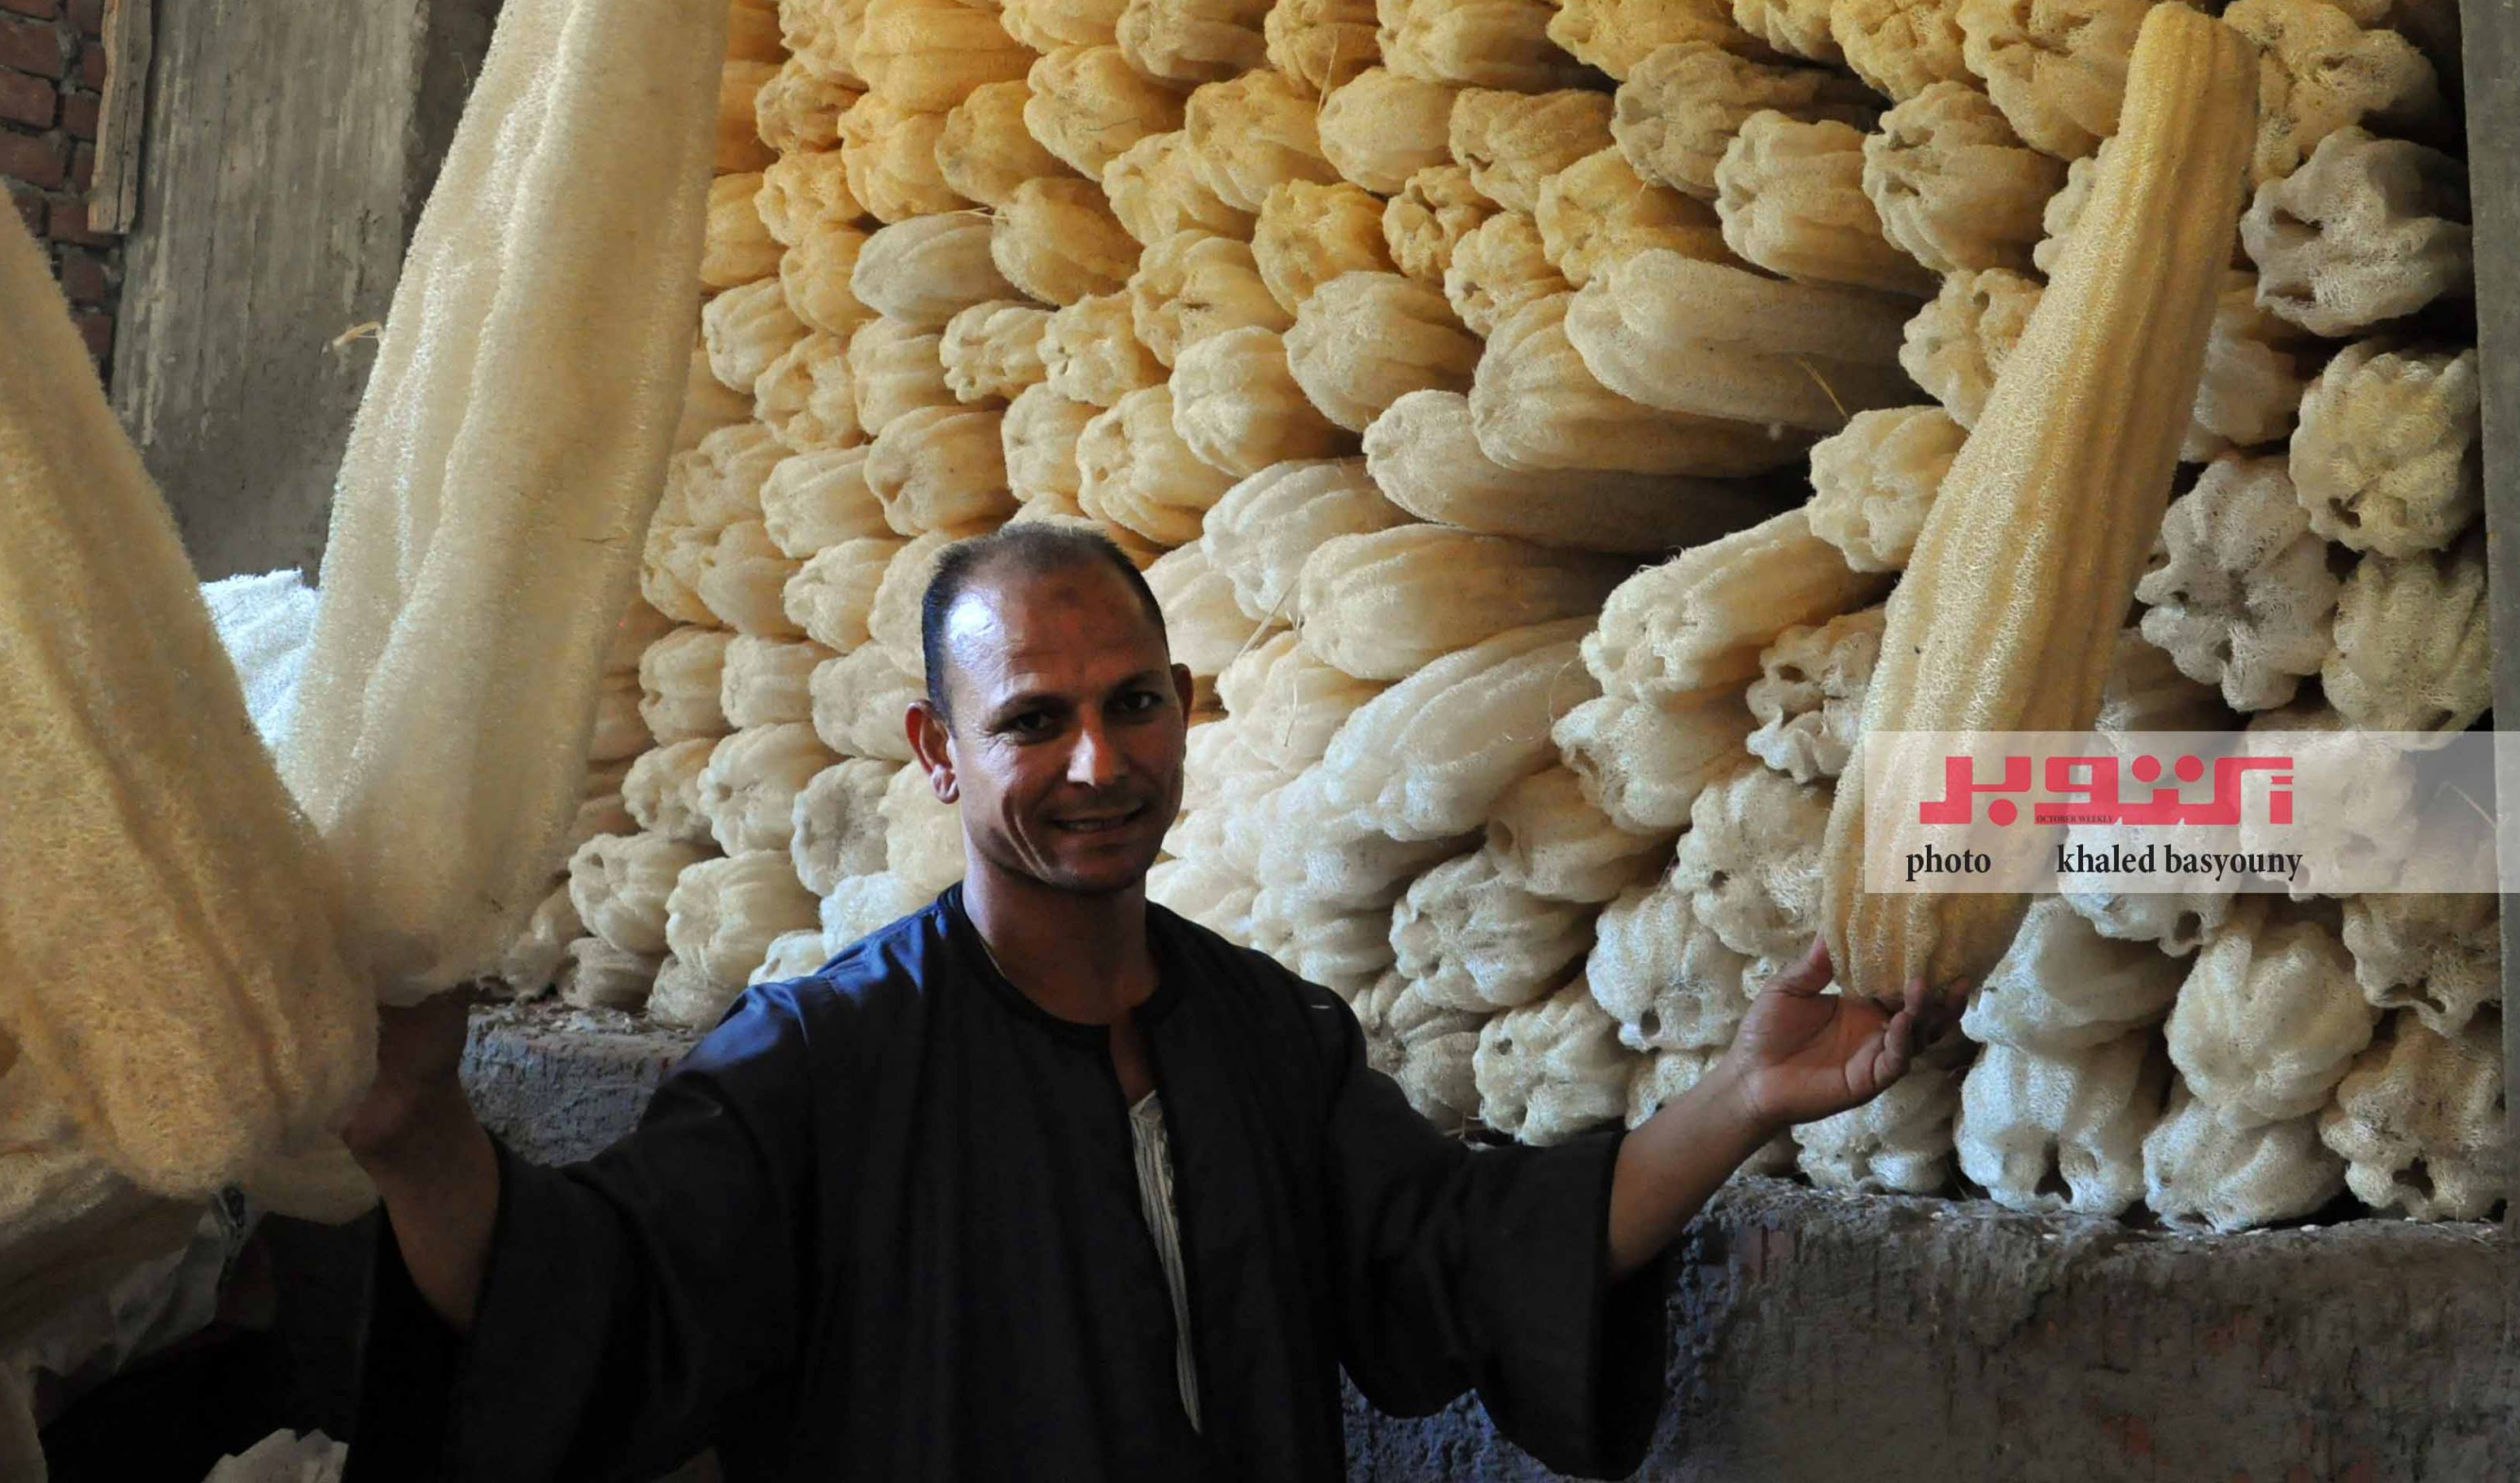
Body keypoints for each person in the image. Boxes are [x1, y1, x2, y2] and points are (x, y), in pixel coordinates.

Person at [338, 519, 1946, 1481]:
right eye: (1033, 721)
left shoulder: (1264, 1040)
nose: (1098, 763)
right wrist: (417, 1136)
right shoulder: (823, 1064)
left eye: (1132, 705)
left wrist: (1741, 1095)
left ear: (1183, 707)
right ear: (937, 751)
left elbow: (1464, 1254)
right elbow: (593, 1302)